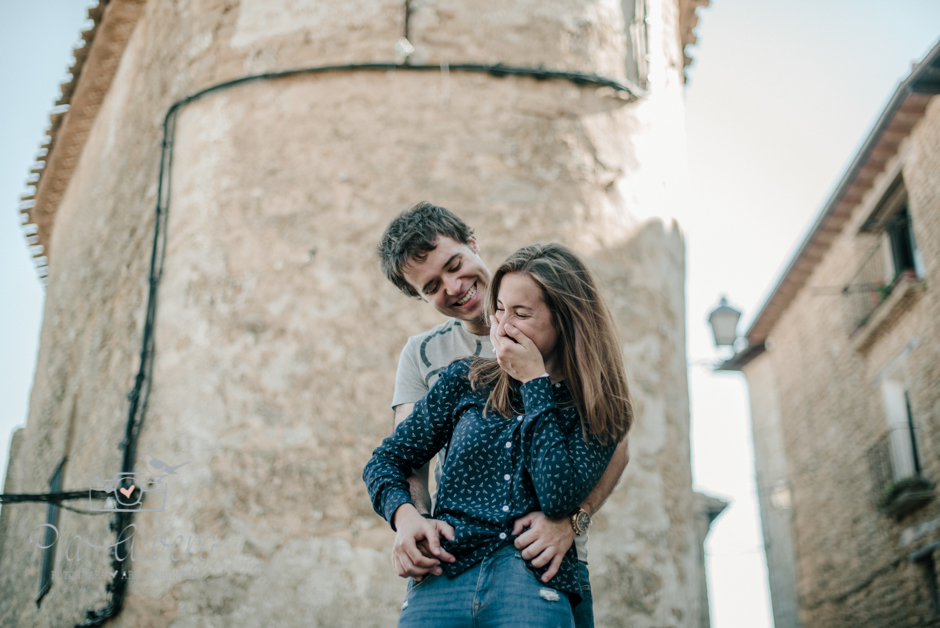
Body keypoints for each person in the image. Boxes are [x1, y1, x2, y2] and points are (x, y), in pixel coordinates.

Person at [375, 202, 629, 628]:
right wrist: (410, 520)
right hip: (459, 557)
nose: (454, 287)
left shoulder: (537, 294)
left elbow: (613, 448)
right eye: (432, 286)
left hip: (542, 559)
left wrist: (572, 520)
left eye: (455, 264)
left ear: (472, 244)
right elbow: (405, 457)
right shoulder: (429, 357)